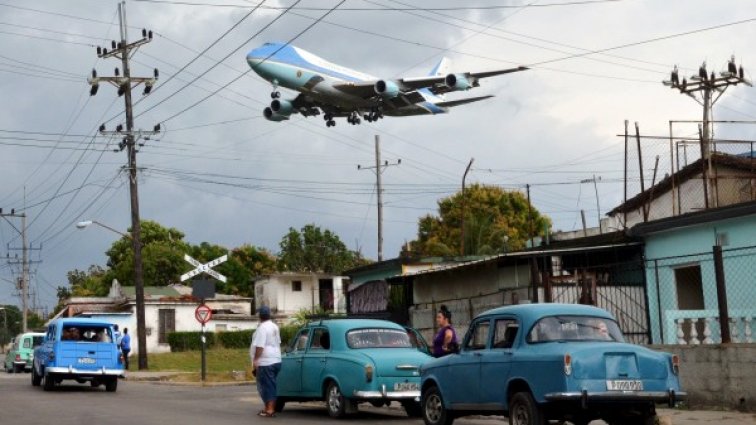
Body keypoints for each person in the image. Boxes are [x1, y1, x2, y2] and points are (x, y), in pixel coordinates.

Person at [251, 306, 282, 418]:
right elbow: (278, 342)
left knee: (266, 385)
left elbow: (260, 346)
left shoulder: (262, 328)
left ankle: (270, 409)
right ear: (269, 315)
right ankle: (268, 407)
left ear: (260, 316)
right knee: (270, 384)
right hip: (276, 359)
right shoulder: (274, 326)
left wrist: (256, 359)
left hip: (266, 361)